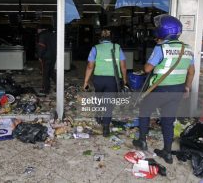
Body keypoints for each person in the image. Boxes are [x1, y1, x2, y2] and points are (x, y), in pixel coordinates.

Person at [133, 14, 195, 164]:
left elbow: (148, 69)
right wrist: (187, 87)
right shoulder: (187, 49)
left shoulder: (161, 48)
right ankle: (167, 153)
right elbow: (191, 71)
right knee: (168, 121)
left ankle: (142, 141)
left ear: (163, 31)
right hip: (177, 90)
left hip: (160, 89)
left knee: (144, 111)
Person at [83, 29, 127, 137]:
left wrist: (86, 81)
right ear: (111, 38)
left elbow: (90, 66)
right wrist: (125, 79)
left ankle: (98, 116)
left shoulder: (95, 48)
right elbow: (123, 66)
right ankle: (106, 128)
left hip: (98, 79)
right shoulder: (117, 47)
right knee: (108, 103)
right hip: (113, 80)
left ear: (100, 38)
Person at [37, 24, 56, 94]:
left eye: (38, 29)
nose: (37, 31)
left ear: (41, 29)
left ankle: (46, 89)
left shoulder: (42, 36)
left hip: (45, 57)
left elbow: (42, 47)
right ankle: (60, 86)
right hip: (53, 56)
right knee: (51, 72)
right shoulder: (54, 35)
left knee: (45, 73)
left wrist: (39, 56)